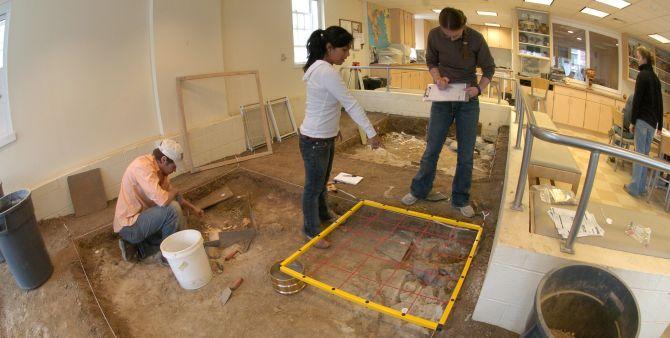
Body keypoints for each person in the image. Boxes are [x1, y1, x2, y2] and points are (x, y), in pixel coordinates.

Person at [401, 7, 495, 218]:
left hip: (467, 100)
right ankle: (419, 190)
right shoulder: (434, 35)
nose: (451, 37)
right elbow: (431, 62)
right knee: (432, 147)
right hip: (443, 99)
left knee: (465, 153)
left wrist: (478, 89)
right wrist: (437, 78)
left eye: (456, 34)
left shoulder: (476, 39)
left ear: (464, 26)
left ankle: (460, 198)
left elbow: (489, 68)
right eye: (447, 34)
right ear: (441, 28)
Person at [300, 26, 382, 249]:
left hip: (321, 137)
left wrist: (333, 128)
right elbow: (350, 104)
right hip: (315, 140)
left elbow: (324, 104)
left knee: (320, 184)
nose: (347, 54)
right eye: (344, 49)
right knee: (313, 187)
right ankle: (310, 231)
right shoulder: (326, 71)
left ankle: (324, 214)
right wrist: (371, 132)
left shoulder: (320, 68)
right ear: (329, 48)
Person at [113, 139, 204, 262]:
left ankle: (139, 249)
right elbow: (164, 200)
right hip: (129, 226)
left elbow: (174, 195)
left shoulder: (162, 174)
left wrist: (193, 208)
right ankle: (168, 258)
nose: (175, 170)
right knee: (171, 210)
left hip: (143, 219)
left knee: (174, 218)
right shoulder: (142, 167)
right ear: (164, 160)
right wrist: (174, 192)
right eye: (174, 166)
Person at [624, 46, 664, 197]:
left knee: (638, 154)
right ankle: (641, 188)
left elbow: (637, 100)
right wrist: (660, 124)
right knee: (645, 155)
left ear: (645, 59)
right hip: (652, 123)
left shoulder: (642, 75)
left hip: (642, 120)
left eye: (639, 57)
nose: (637, 60)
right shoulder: (656, 79)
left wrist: (632, 121)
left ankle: (634, 187)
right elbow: (660, 103)